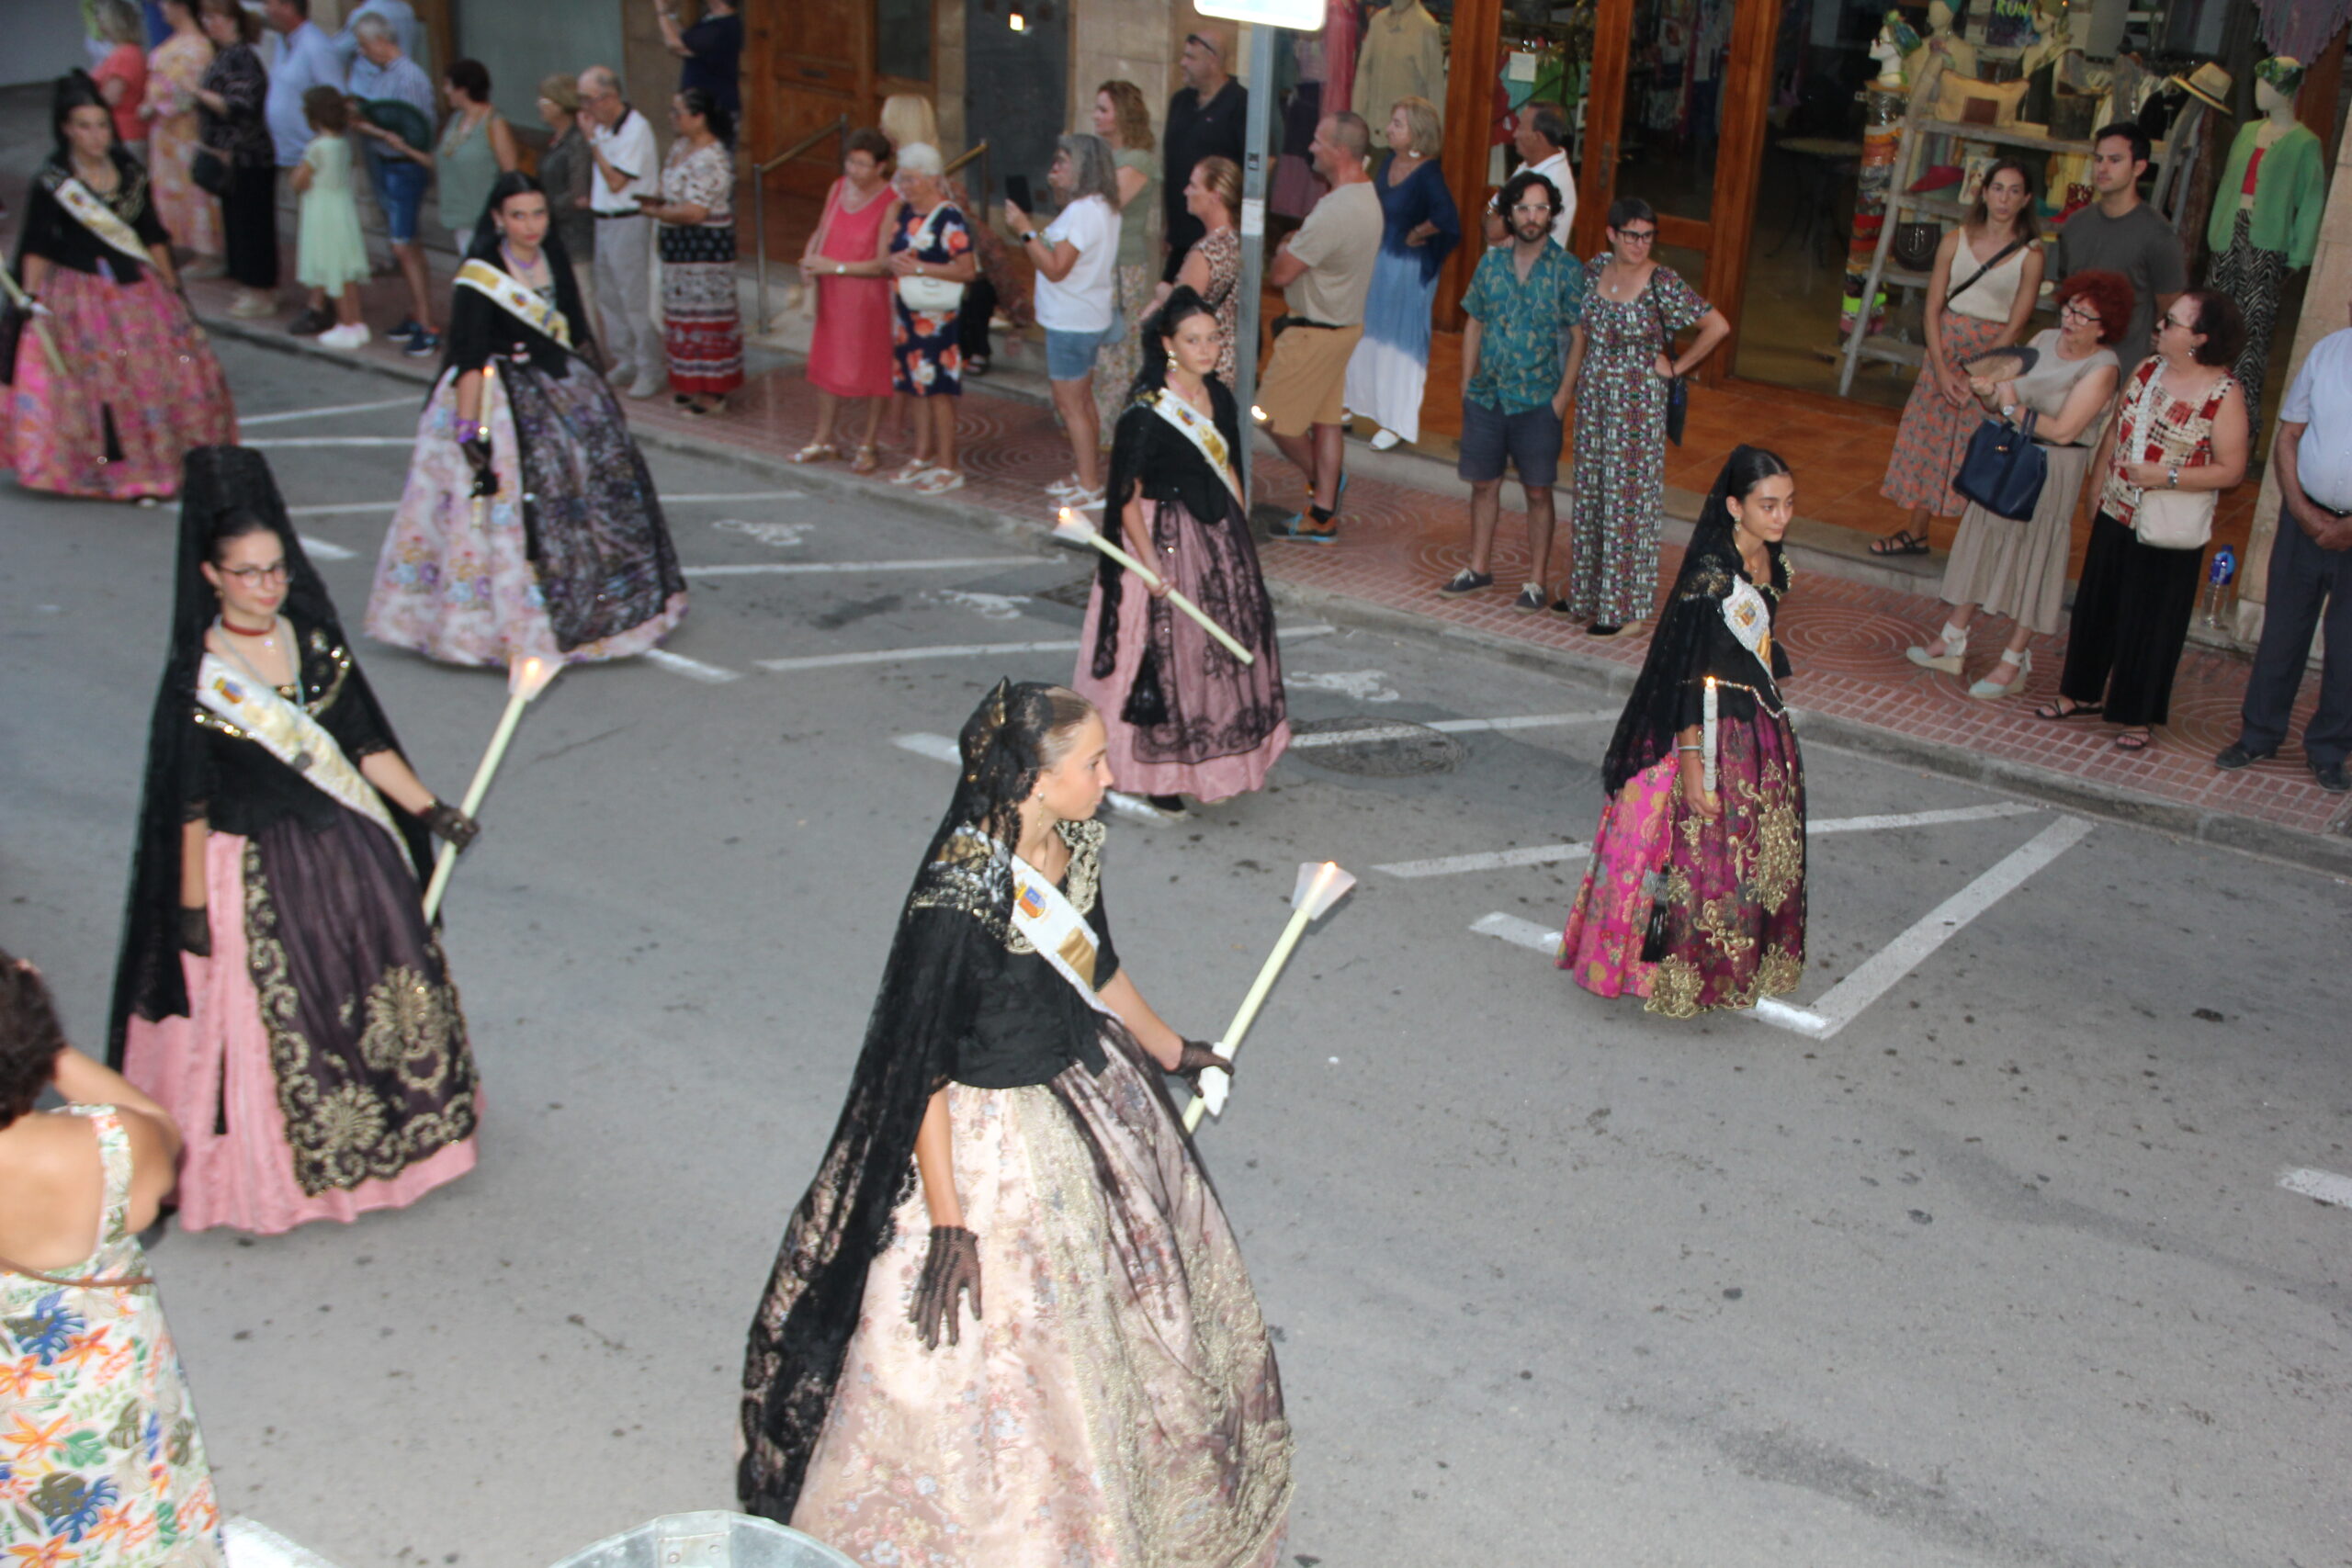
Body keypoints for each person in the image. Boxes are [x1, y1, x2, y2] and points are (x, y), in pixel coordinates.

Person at [738, 681, 1292, 1560]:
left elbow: (1093, 962)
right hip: (986, 1130)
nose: (1109, 777)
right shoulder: (960, 896)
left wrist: (1171, 1047)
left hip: (1083, 1084)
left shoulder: (1069, 839)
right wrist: (951, 1220)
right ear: (1033, 780)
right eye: (1093, 763)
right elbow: (918, 1066)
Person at [112, 446, 483, 1234]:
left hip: (348, 858)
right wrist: (187, 910)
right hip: (249, 869)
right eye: (248, 572)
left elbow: (363, 744)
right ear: (212, 575)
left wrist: (430, 810)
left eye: (277, 568)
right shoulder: (201, 678)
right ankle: (275, 1178)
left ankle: (407, 1143)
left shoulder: (313, 645)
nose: (268, 585)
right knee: (271, 1028)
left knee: (382, 1004)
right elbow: (189, 803)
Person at [367, 175, 689, 667]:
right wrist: (472, 434)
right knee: (494, 514)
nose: (531, 225)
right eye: (518, 215)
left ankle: (595, 605)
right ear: (498, 219)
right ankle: (483, 629)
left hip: (552, 384)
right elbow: (471, 357)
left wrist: (592, 397)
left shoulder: (552, 255)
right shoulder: (480, 274)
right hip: (493, 395)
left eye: (538, 213)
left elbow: (574, 330)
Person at [1559, 446, 1806, 1019]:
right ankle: (1650, 970)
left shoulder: (1774, 563)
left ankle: (1717, 963)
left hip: (1753, 727)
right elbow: (1690, 675)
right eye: (1768, 506)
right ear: (1734, 507)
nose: (1781, 517)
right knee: (1677, 854)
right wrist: (1695, 766)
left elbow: (1758, 647)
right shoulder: (1710, 578)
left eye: (1788, 504)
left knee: (1737, 859)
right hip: (1699, 731)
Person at [1, 952, 225, 1565]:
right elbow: (163, 1136)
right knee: (128, 1518)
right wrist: (48, 1044)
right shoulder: (103, 1146)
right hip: (97, 1393)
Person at [1076, 288, 1291, 809]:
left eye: (1213, 338)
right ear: (1169, 345)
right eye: (1193, 340)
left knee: (1216, 658)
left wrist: (1243, 540)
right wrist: (1150, 567)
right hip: (1162, 539)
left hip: (1217, 537)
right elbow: (1124, 499)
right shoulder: (1147, 411)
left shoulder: (1220, 396)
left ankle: (1215, 767)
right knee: (1170, 657)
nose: (1207, 348)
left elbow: (1231, 467)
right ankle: (1160, 777)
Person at [6, 73, 237, 502]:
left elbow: (151, 232)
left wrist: (173, 289)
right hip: (79, 297)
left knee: (163, 375)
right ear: (67, 129)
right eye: (85, 126)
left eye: (102, 125)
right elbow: (36, 244)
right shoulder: (53, 181)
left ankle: (165, 461)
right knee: (96, 388)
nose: (96, 136)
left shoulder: (129, 172)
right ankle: (101, 468)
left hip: (138, 293)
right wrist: (30, 300)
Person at [2041, 291, 2250, 751]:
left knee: (2151, 622)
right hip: (2118, 511)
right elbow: (2117, 428)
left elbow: (2232, 470)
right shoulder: (2147, 369)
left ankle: (2137, 716)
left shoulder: (2224, 395)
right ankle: (2080, 692)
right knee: (2098, 605)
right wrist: (2096, 488)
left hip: (2169, 526)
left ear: (2199, 338)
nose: (2159, 326)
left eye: (2172, 322)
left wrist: (2166, 476)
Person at [1905, 270, 2127, 699]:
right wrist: (1989, 393)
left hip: (2053, 465)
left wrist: (2008, 404)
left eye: (2085, 315)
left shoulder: (2103, 367)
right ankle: (1952, 636)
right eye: (2070, 308)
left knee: (2036, 556)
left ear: (2105, 326)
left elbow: (2065, 430)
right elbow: (2003, 401)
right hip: (2011, 453)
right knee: (1983, 538)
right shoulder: (2043, 340)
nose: (2072, 319)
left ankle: (2014, 660)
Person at [1556, 197, 1732, 636]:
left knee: (1628, 502)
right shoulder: (1595, 269)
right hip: (1595, 399)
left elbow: (1717, 326)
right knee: (1593, 492)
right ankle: (1587, 594)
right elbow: (1579, 328)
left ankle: (1625, 609)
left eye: (1647, 236)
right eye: (1631, 235)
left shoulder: (1663, 282)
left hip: (1637, 406)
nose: (1639, 244)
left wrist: (1677, 366)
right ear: (1612, 234)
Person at [1871, 158, 2044, 558]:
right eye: (1998, 188)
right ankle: (1917, 530)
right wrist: (1941, 365)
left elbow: (2015, 324)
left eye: (2014, 191)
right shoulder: (1956, 239)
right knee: (1928, 437)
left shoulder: (2031, 255)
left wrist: (1979, 373)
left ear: (2026, 199)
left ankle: (1975, 544)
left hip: (1991, 357)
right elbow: (1932, 308)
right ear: (1984, 193)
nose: (2004, 199)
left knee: (1979, 445)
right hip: (1945, 348)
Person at [2219, 296, 2352, 793]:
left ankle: (2330, 750)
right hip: (2305, 520)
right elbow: (2289, 435)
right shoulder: (2327, 352)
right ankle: (2259, 735)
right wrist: (2300, 509)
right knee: (2282, 633)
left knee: (2348, 648)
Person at [1440, 170, 1583, 611]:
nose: (1532, 216)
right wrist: (1466, 381)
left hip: (1539, 401)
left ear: (1552, 214)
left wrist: (1562, 397)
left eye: (1540, 207)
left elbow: (1580, 336)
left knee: (1538, 491)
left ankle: (1536, 581)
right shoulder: (1491, 264)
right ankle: (1478, 567)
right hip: (1488, 397)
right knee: (1484, 483)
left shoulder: (1567, 270)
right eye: (1523, 207)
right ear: (1510, 214)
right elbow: (1474, 321)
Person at [1261, 112, 1383, 546]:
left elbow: (1280, 273)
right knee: (1326, 421)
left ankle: (1322, 480)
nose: (1310, 148)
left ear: (1341, 151)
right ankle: (1323, 512)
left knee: (1271, 417)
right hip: (1343, 327)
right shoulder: (1365, 197)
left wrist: (1283, 247)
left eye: (1317, 141)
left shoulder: (1334, 210)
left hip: (1312, 332)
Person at [1005, 133, 1122, 509]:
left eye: (1062, 161)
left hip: (1072, 321)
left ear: (1084, 167)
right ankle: (1086, 474)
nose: (1054, 168)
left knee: (1071, 405)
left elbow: (1056, 268)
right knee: (1082, 401)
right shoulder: (1101, 207)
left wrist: (1023, 228)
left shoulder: (1083, 211)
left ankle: (1089, 485)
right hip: (1086, 315)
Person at [877, 92, 1023, 377]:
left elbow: (964, 261)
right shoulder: (918, 179)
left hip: (928, 298)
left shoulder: (923, 188)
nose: (881, 129)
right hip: (914, 293)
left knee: (925, 380)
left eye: (886, 122)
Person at [1345, 95, 1460, 451]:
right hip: (1378, 265)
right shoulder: (1389, 162)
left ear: (1418, 132)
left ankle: (1395, 421)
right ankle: (1352, 403)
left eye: (1398, 124)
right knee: (1366, 337)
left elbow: (1447, 218)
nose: (1390, 129)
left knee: (1399, 347)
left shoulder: (1428, 172)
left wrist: (1418, 233)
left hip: (1407, 274)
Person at [792, 127, 899, 470]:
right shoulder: (838, 188)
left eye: (863, 165)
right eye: (851, 162)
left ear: (881, 167)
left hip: (867, 296)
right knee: (826, 361)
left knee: (872, 366)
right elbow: (822, 229)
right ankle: (823, 437)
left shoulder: (890, 201)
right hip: (832, 292)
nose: (854, 170)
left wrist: (834, 267)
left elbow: (883, 263)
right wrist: (809, 259)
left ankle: (868, 443)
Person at [345, 13, 441, 355]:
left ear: (381, 42)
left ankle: (427, 323)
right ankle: (418, 313)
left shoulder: (409, 78)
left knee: (403, 245)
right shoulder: (386, 75)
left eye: (364, 44)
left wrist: (371, 128)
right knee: (405, 244)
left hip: (404, 168)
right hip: (388, 163)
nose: (361, 51)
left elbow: (413, 133)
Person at [2053, 123, 2186, 369]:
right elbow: (2067, 286)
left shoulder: (2158, 234)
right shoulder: (2076, 224)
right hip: (2069, 359)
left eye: (2115, 160)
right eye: (2098, 159)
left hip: (2122, 365)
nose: (2103, 168)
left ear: (2139, 167)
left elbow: (2170, 306)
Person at [883, 142, 976, 494]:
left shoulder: (949, 216)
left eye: (910, 178)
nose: (904, 185)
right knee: (914, 385)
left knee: (938, 391)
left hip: (936, 318)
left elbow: (967, 270)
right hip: (908, 313)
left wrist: (920, 267)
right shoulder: (906, 212)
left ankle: (948, 464)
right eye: (901, 177)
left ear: (932, 179)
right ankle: (922, 454)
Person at [645, 87, 741, 416]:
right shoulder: (679, 148)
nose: (673, 119)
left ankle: (713, 391)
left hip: (704, 251)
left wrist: (659, 213)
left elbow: (695, 211)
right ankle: (689, 383)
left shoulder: (712, 157)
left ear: (699, 117)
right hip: (677, 249)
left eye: (679, 112)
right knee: (682, 317)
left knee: (706, 319)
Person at [581, 65, 664, 400]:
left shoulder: (636, 129)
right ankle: (625, 357)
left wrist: (592, 145)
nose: (585, 108)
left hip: (629, 219)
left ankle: (650, 366)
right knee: (609, 295)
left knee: (634, 297)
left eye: (589, 100)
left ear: (610, 97)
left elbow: (617, 180)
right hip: (603, 218)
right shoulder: (602, 127)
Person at [1089, 80, 1163, 447]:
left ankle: (1113, 430)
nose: (1096, 116)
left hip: (1123, 263)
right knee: (1098, 347)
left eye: (1103, 109)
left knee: (1118, 348)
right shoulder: (1101, 155)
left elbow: (1106, 202)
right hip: (1095, 262)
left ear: (1123, 114)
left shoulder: (1138, 159)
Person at [192, 0, 276, 320]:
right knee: (238, 223)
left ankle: (261, 289)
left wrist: (198, 94)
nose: (207, 22)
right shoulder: (224, 55)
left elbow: (240, 106)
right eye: (205, 16)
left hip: (248, 155)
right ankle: (249, 283)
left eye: (213, 16)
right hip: (233, 158)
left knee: (253, 224)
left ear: (230, 20)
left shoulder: (240, 57)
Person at [261, 0, 343, 312]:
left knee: (320, 233)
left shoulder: (316, 46)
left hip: (311, 156)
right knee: (309, 234)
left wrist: (320, 151)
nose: (265, 8)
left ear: (287, 6)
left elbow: (334, 99)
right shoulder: (287, 43)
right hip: (292, 153)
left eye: (271, 2)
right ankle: (319, 297)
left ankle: (325, 303)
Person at [1161, 24, 1246, 283]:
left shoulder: (1240, 104)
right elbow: (1171, 163)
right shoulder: (1180, 101)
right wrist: (1168, 224)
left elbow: (1261, 166)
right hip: (1181, 233)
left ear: (1213, 60)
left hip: (1216, 234)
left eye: (1190, 57)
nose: (1182, 63)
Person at [141, 0, 221, 270]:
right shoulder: (176, 42)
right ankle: (179, 244)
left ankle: (207, 255)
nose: (162, 8)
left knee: (193, 190)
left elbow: (186, 95)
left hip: (185, 133)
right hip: (166, 134)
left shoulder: (198, 47)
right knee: (170, 190)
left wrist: (156, 104)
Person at [290, 85, 370, 350]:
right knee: (346, 271)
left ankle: (346, 324)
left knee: (333, 268)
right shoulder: (343, 144)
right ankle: (356, 323)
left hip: (323, 213)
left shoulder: (317, 147)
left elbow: (299, 181)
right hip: (342, 209)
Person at [1157, 153, 1241, 385]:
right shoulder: (1237, 241)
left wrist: (1163, 292)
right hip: (1226, 357)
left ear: (1215, 196)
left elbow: (1180, 310)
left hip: (1202, 364)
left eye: (1194, 185)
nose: (1186, 191)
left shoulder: (1205, 252)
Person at [433, 58, 518, 259]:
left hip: (485, 221)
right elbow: (442, 159)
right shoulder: (455, 120)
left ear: (462, 89)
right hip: (459, 217)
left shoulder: (494, 123)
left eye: (448, 85)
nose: (446, 91)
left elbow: (510, 174)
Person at [1480, 99, 1574, 251]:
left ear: (1537, 137)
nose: (1515, 134)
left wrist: (1492, 213)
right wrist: (1492, 211)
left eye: (1520, 127)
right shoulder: (1530, 164)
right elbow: (1491, 215)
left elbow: (1493, 231)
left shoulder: (1550, 181)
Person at [654, 0, 741, 119]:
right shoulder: (711, 19)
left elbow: (675, 44)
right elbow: (683, 39)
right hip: (699, 109)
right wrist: (670, 13)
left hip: (715, 112)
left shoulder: (725, 26)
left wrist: (661, 10)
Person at [89, 0, 150, 162]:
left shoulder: (123, 55)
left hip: (124, 133)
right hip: (130, 131)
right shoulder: (132, 51)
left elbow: (112, 97)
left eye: (101, 19)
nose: (99, 24)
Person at [328, 0, 421, 69]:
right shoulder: (406, 9)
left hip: (374, 86)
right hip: (403, 75)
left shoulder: (365, 13)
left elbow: (336, 53)